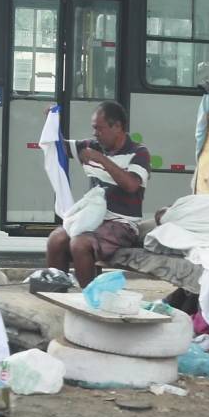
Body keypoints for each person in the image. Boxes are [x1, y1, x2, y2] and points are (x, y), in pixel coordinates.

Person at [46, 101, 150, 287]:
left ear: (117, 126)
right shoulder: (92, 146)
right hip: (92, 218)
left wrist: (101, 159)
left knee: (79, 244)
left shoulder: (138, 152)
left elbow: (131, 185)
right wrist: (51, 122)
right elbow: (60, 147)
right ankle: (56, 291)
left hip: (122, 223)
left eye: (99, 128)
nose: (95, 133)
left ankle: (90, 301)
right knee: (56, 239)